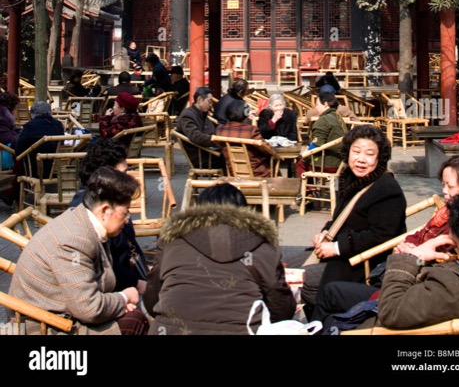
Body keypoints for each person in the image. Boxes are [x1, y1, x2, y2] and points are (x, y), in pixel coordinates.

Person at [312, 155, 459, 327]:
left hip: (398, 297)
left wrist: (411, 257)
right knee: (331, 286)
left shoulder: (452, 280)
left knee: (329, 294)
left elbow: (392, 310)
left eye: (450, 186)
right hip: (404, 285)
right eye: (443, 184)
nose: (444, 191)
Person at [9, 166, 149, 335]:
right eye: (126, 213)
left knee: (133, 315)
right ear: (105, 210)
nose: (127, 220)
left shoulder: (81, 218)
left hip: (64, 314)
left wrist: (117, 302)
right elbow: (89, 309)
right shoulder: (75, 241)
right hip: (46, 327)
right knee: (135, 321)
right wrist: (124, 297)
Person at [144, 183, 296, 335]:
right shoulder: (263, 246)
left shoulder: (173, 241)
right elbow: (281, 309)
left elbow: (152, 295)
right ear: (244, 212)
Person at [302, 124, 406, 311]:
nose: (361, 159)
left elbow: (381, 235)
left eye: (369, 154)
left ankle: (318, 324)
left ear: (379, 158)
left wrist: (336, 247)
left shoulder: (387, 189)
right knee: (279, 260)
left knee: (296, 279)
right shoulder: (350, 178)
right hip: (338, 252)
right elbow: (342, 218)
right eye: (356, 151)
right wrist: (325, 232)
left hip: (361, 263)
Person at [377, 192, 459, 330]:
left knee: (346, 294)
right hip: (404, 299)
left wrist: (408, 259)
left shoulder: (451, 287)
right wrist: (420, 258)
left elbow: (390, 312)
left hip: (382, 318)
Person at [70, 139, 148, 293]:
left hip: (125, 278)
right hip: (109, 289)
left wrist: (144, 268)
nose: (128, 177)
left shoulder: (108, 198)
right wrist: (137, 283)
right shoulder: (89, 209)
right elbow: (105, 263)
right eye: (124, 173)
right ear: (107, 176)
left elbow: (127, 246)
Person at [296, 89, 348, 179]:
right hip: (341, 162)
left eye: (317, 105)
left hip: (329, 164)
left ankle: (309, 190)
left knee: (300, 163)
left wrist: (305, 153)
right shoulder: (338, 117)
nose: (316, 108)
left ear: (325, 104)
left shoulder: (323, 120)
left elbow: (316, 144)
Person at [218, 100, 274, 177]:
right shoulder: (251, 130)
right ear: (246, 113)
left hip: (232, 173)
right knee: (273, 162)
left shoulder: (220, 130)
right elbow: (268, 149)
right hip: (256, 173)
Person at [15, 101, 65, 175]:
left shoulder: (30, 126)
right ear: (50, 112)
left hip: (34, 167)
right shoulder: (58, 125)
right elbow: (62, 143)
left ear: (32, 113)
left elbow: (19, 148)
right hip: (54, 166)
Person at [175, 86, 218, 168]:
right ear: (199, 99)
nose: (211, 104)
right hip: (201, 157)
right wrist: (217, 141)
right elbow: (196, 137)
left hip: (208, 151)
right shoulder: (188, 115)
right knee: (229, 159)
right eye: (209, 101)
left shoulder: (201, 113)